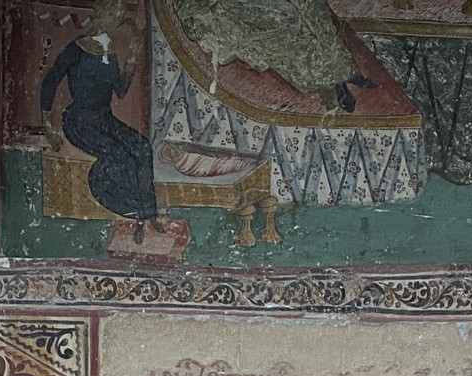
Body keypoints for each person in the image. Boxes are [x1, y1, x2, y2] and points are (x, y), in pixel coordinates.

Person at [40, 7, 161, 226]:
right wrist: (47, 124)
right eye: (110, 15)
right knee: (120, 156)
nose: (112, 21)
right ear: (99, 15)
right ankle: (131, 211)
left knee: (143, 147)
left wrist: (131, 59)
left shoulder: (109, 50)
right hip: (79, 121)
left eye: (116, 17)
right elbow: (51, 80)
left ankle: (150, 213)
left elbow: (120, 91)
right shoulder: (77, 48)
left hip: (105, 119)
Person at [167, 0, 372, 113]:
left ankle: (339, 75)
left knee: (304, 18)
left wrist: (345, 64)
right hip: (219, 11)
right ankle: (337, 78)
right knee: (290, 23)